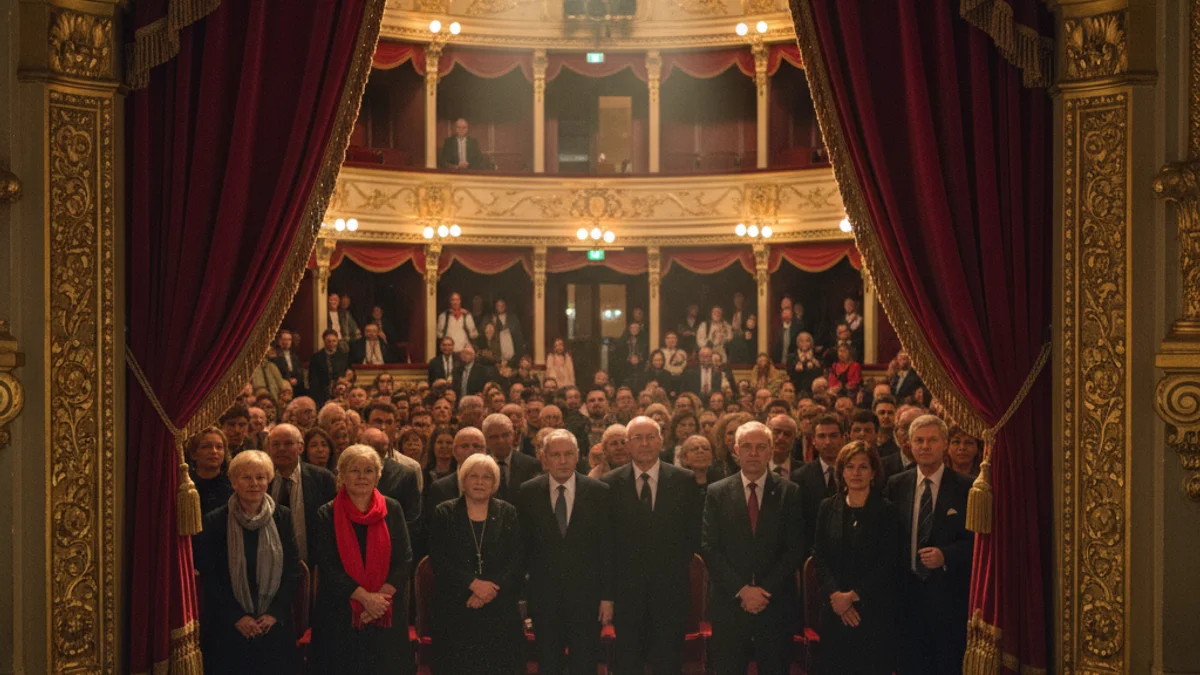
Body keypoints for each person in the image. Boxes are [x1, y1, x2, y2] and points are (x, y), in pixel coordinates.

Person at [700, 420, 805, 675]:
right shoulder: (717, 492)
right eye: (747, 446)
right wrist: (742, 591)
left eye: (761, 447)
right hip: (730, 604)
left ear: (770, 451)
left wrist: (764, 591)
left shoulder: (789, 492)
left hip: (775, 605)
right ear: (736, 450)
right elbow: (710, 547)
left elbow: (795, 548)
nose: (754, 453)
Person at [602, 416, 702, 675]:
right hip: (627, 595)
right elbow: (607, 544)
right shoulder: (609, 483)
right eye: (637, 438)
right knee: (628, 664)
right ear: (627, 444)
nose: (644, 443)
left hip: (671, 592)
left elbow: (692, 536)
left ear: (661, 441)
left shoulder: (684, 480)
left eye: (650, 437)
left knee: (669, 663)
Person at [194, 450, 301, 675]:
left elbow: (292, 569)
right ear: (234, 482)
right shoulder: (215, 520)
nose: (254, 483)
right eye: (246, 477)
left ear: (269, 481)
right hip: (228, 624)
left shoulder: (282, 516)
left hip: (273, 622)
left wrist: (274, 613)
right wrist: (237, 617)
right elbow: (210, 576)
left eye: (260, 477)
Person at [516, 430, 614, 675]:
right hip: (544, 599)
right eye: (555, 455)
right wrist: (522, 597)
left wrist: (607, 597)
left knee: (585, 664)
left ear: (578, 456)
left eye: (568, 454)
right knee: (549, 664)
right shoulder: (527, 492)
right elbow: (522, 549)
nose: (562, 461)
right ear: (544, 458)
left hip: (587, 599)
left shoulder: (599, 491)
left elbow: (607, 549)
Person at [310, 445, 413, 675]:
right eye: (354, 470)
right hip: (340, 610)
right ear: (342, 475)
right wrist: (366, 598)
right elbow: (328, 565)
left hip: (385, 608)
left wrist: (379, 600)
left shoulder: (392, 508)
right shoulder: (326, 513)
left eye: (368, 471)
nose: (362, 477)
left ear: (378, 476)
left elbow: (404, 558)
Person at [887, 415, 974, 675]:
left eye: (932, 440)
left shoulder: (966, 487)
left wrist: (946, 555)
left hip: (948, 596)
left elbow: (977, 543)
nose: (925, 446)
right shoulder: (896, 484)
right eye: (919, 440)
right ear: (909, 445)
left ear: (945, 444)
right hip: (906, 594)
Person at [429, 454, 525, 674]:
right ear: (463, 480)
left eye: (486, 477)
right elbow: (439, 558)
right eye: (473, 476)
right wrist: (473, 584)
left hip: (499, 603)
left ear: (495, 483)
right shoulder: (444, 512)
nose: (480, 482)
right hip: (456, 604)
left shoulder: (508, 512)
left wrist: (489, 591)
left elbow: (517, 558)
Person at [812, 441, 901, 675]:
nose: (856, 473)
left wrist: (853, 596)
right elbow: (819, 555)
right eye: (850, 467)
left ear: (873, 472)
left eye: (863, 467)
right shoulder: (827, 507)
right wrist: (836, 597)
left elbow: (888, 561)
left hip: (872, 610)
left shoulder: (887, 510)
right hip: (834, 609)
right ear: (841, 472)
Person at [266, 424, 337, 564]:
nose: (281, 449)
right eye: (276, 444)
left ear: (301, 447)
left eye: (288, 444)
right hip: (270, 562)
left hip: (313, 562)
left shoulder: (323, 478)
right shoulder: (263, 479)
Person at [791, 414, 846, 553]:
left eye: (833, 436)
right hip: (813, 551)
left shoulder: (854, 473)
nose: (828, 442)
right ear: (814, 441)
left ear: (843, 438)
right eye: (822, 436)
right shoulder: (800, 477)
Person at [483, 413, 542, 503]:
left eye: (505, 435)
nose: (500, 441)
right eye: (494, 437)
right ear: (485, 440)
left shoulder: (531, 465)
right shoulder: (481, 467)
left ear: (513, 435)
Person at [189, 427, 234, 515]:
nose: (214, 451)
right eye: (206, 447)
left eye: (219, 447)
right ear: (193, 454)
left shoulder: (233, 484)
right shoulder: (186, 485)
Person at [310, 329, 350, 407]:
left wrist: (346, 378)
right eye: (329, 341)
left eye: (334, 341)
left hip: (342, 391)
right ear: (324, 341)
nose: (331, 344)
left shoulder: (343, 355)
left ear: (337, 341)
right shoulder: (317, 357)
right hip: (323, 393)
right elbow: (313, 379)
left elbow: (350, 372)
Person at [882, 407, 922, 480]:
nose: (910, 432)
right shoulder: (882, 466)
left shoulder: (936, 464)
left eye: (916, 427)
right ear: (896, 432)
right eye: (905, 427)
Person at [483, 298, 525, 366]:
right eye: (498, 305)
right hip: (497, 356)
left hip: (512, 355)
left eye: (502, 305)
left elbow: (519, 338)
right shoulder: (490, 318)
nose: (500, 307)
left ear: (505, 305)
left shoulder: (513, 318)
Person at [270, 330, 306, 396]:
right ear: (279, 341)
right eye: (284, 339)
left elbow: (300, 372)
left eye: (289, 340)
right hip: (280, 387)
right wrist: (287, 381)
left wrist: (297, 380)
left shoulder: (294, 355)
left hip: (296, 388)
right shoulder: (273, 355)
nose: (286, 342)